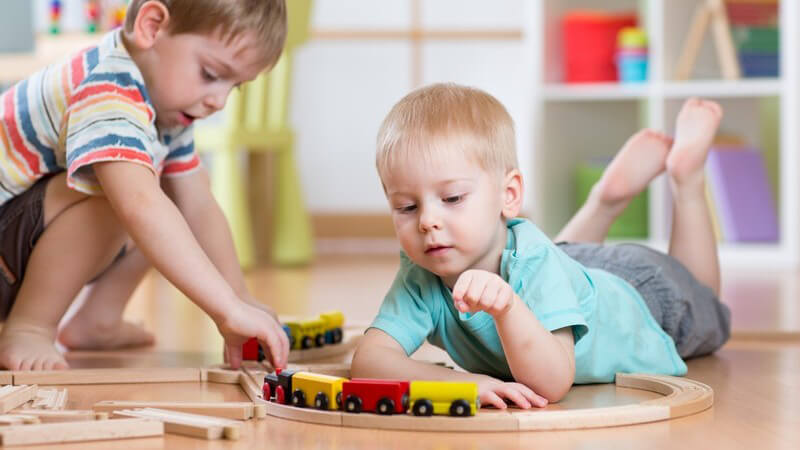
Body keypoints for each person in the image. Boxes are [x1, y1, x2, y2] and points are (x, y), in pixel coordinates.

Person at [350, 83, 731, 410]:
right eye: (407, 206)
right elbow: (370, 361)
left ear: (509, 194)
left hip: (641, 298)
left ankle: (687, 180)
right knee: (558, 255)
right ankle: (604, 201)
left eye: (451, 198)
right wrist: (462, 385)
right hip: (573, 265)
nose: (426, 221)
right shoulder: (422, 274)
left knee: (705, 301)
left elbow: (552, 383)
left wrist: (507, 308)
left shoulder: (533, 261)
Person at [0, 0, 290, 371]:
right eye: (211, 74)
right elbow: (139, 206)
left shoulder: (166, 108)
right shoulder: (108, 89)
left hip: (16, 246)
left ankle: (98, 319)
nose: (219, 101)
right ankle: (29, 326)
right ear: (152, 26)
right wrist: (225, 310)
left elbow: (198, 204)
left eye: (235, 87)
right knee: (127, 195)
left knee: (161, 192)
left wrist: (240, 297)